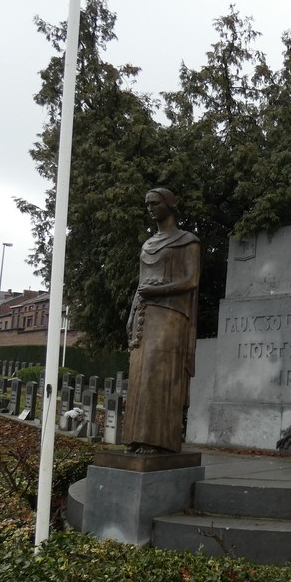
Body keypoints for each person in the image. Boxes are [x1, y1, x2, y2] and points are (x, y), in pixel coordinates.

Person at [122, 188, 200, 454]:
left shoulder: (187, 241)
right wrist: (132, 313)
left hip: (171, 317)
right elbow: (140, 284)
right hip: (146, 314)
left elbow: (191, 280)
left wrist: (158, 290)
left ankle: (160, 441)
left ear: (169, 205)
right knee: (139, 376)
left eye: (155, 203)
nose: (150, 208)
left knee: (159, 374)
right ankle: (136, 437)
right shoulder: (148, 244)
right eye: (147, 204)